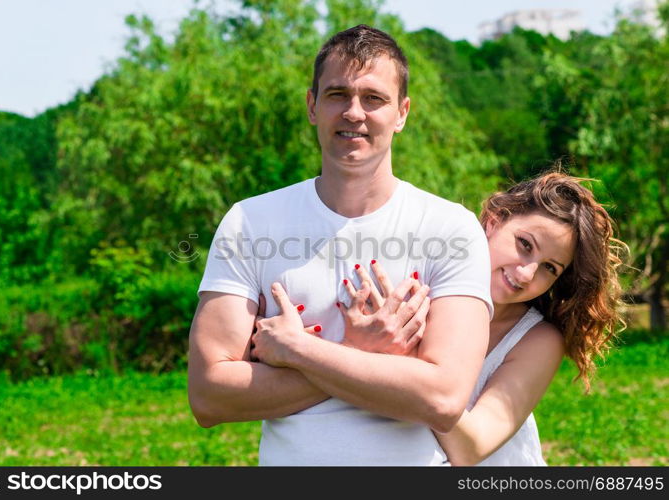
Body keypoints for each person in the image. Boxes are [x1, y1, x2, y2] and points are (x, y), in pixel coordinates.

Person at [187, 24, 493, 465]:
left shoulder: (450, 229)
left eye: (374, 98)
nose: (354, 112)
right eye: (337, 95)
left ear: (402, 112)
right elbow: (209, 396)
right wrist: (362, 353)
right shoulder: (250, 222)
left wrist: (300, 352)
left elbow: (443, 399)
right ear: (312, 106)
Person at [252, 171, 627, 465]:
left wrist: (403, 365)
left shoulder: (537, 340)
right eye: (524, 245)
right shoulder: (420, 290)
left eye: (549, 268)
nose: (527, 274)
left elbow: (472, 446)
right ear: (494, 221)